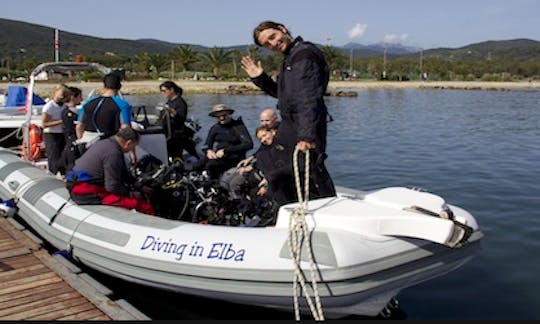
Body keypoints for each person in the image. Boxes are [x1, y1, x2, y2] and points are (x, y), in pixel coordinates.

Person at [241, 20, 336, 200]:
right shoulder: (291, 57)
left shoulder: (304, 55)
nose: (273, 43)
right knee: (280, 167)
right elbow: (284, 96)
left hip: (304, 126)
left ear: (282, 29)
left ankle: (327, 208)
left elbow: (308, 97)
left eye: (273, 36)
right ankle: (287, 211)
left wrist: (307, 136)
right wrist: (260, 78)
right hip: (291, 125)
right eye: (267, 44)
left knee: (307, 169)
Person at [66, 128, 154, 215]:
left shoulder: (106, 143)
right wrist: (132, 194)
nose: (132, 150)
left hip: (76, 184)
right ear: (128, 143)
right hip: (86, 192)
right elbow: (112, 186)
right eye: (133, 147)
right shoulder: (114, 153)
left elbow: (122, 172)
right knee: (143, 206)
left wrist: (139, 185)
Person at [193, 104, 253, 179]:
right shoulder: (215, 128)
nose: (222, 118)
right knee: (196, 165)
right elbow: (206, 144)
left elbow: (249, 144)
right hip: (218, 156)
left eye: (224, 115)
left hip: (234, 157)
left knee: (211, 165)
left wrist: (226, 151)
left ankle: (215, 185)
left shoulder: (238, 127)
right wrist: (208, 151)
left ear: (229, 114)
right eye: (218, 117)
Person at [75, 72, 132, 144]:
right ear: (119, 86)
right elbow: (126, 128)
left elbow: (79, 126)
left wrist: (80, 141)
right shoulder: (122, 104)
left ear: (104, 86)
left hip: (87, 140)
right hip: (108, 141)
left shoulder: (88, 102)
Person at [158, 81, 200, 162]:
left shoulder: (180, 103)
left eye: (164, 91)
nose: (163, 93)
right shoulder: (169, 102)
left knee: (176, 155)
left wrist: (171, 112)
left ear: (172, 90)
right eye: (161, 91)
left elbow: (180, 119)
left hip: (177, 135)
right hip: (167, 132)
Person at [41, 84, 70, 175]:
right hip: (52, 134)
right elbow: (44, 124)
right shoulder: (49, 107)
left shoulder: (64, 106)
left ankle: (63, 173)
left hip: (62, 133)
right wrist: (61, 121)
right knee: (54, 158)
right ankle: (53, 173)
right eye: (62, 94)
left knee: (63, 157)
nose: (63, 97)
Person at [61, 86, 82, 173]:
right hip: (72, 141)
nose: (81, 99)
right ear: (73, 97)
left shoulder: (73, 111)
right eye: (80, 96)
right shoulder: (68, 113)